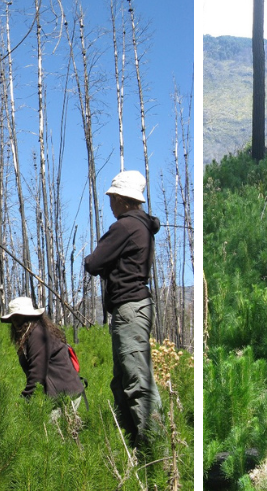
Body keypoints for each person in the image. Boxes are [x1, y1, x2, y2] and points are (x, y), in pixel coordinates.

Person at [83, 169, 162, 448]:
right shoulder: (141, 226)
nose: (109, 203)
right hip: (136, 308)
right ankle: (138, 450)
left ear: (121, 198)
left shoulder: (125, 226)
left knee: (136, 382)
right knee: (124, 382)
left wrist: (90, 259)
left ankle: (156, 454)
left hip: (129, 309)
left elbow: (93, 263)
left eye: (111, 197)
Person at [0, 296, 86, 401]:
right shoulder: (31, 333)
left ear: (28, 316)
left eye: (19, 316)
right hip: (57, 395)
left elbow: (37, 374)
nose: (16, 321)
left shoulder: (37, 334)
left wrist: (23, 400)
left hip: (64, 396)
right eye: (13, 318)